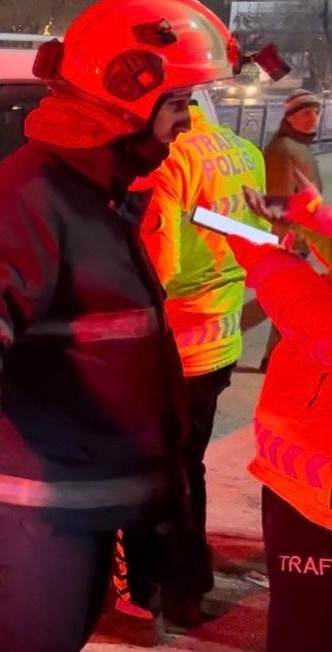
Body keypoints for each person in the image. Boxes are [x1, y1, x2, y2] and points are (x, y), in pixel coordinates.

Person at [0, 0, 242, 652]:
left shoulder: (99, 194)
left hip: (93, 502)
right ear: (125, 94)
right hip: (43, 514)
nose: (186, 123)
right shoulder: (27, 199)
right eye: (178, 104)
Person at [119, 102, 268, 623]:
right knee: (189, 464)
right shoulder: (243, 150)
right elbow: (253, 238)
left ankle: (168, 587)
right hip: (223, 336)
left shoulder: (174, 159)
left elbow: (162, 267)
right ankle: (187, 581)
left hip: (179, 340)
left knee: (162, 471)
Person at [227, 175, 332, 652]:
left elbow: (321, 330)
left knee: (306, 628)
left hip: (318, 491)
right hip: (306, 476)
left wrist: (263, 258)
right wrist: (315, 218)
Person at [261, 89, 325, 370]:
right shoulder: (283, 149)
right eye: (305, 113)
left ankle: (275, 356)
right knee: (290, 301)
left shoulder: (296, 144)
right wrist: (291, 242)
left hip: (301, 235)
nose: (312, 118)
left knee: (290, 301)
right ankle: (274, 358)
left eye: (316, 112)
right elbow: (279, 202)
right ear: (290, 117)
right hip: (288, 238)